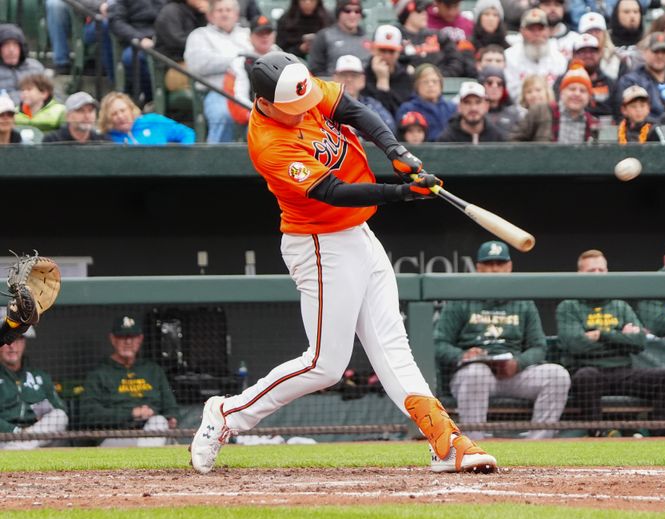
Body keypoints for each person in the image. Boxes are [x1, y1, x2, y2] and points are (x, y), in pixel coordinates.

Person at [189, 51, 497, 475]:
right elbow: (333, 191)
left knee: (394, 348)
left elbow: (354, 110)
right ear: (265, 102)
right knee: (324, 365)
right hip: (319, 243)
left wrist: (395, 149)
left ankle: (446, 442)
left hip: (359, 235)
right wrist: (403, 193)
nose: (304, 110)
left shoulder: (298, 85)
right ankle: (227, 414)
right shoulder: (269, 144)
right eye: (293, 108)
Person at [434, 241, 570, 440]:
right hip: (474, 375)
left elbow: (539, 346)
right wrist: (463, 355)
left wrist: (519, 363)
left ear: (509, 267)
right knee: (476, 373)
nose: (495, 269)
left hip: (513, 373)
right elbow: (439, 343)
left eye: (500, 263)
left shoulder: (523, 302)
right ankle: (474, 444)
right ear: (479, 268)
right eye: (489, 264)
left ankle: (539, 444)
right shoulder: (461, 298)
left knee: (558, 375)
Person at [556, 249, 665, 437]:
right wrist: (620, 338)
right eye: (591, 271)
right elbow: (576, 345)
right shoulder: (569, 306)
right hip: (590, 374)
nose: (598, 275)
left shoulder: (620, 305)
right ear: (580, 274)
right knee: (585, 376)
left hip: (623, 373)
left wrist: (602, 334)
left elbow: (639, 342)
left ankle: (660, 437)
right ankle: (598, 433)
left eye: (601, 270)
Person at [82, 315, 179, 447]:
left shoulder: (153, 370)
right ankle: (147, 461)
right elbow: (89, 414)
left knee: (159, 421)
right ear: (113, 339)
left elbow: (171, 407)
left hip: (152, 430)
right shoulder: (99, 374)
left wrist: (170, 418)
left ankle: (144, 460)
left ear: (140, 339)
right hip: (116, 437)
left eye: (132, 337)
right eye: (122, 337)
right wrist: (132, 413)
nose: (128, 342)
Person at [185, 0, 252, 143]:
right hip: (218, 92)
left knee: (266, 117)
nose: (224, 14)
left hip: (251, 92)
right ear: (210, 15)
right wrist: (236, 60)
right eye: (220, 10)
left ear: (236, 14)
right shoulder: (199, 35)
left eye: (228, 10)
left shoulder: (247, 34)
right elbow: (197, 64)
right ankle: (215, 161)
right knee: (223, 115)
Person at [0, 323, 68, 450]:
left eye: (18, 339)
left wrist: (41, 410)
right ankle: (21, 446)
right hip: (4, 438)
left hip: (37, 435)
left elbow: (59, 409)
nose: (12, 346)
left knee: (60, 416)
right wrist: (15, 431)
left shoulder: (40, 376)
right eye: (6, 340)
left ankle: (19, 448)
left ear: (24, 342)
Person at [511, 64, 599, 143]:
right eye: (572, 89)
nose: (577, 94)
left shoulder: (593, 123)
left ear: (589, 97)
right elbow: (514, 141)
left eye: (582, 91)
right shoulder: (540, 111)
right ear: (562, 92)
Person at [225, 15, 282, 127]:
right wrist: (261, 114)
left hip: (285, 114)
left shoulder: (284, 56)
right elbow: (239, 98)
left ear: (274, 35)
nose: (264, 37)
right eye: (260, 33)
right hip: (257, 117)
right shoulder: (242, 61)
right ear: (250, 37)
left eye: (268, 33)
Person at [504, 8, 568, 103]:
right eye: (531, 29)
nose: (537, 34)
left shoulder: (559, 59)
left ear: (548, 31)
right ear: (522, 31)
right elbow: (512, 93)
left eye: (540, 29)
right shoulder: (509, 57)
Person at [395, 0, 472, 78]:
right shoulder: (397, 36)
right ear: (406, 15)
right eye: (419, 11)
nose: (424, 14)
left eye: (425, 10)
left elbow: (455, 60)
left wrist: (439, 77)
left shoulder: (439, 35)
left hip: (439, 82)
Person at [109, 0, 167, 103]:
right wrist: (139, 38)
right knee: (130, 58)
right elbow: (117, 22)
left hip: (164, 38)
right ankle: (150, 98)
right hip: (138, 38)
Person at [553, 35, 616, 118]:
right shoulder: (562, 81)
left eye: (592, 51)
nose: (588, 55)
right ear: (574, 55)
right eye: (583, 52)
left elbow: (618, 112)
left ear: (600, 54)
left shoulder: (610, 82)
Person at [98, 91, 196, 144]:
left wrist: (183, 159)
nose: (120, 116)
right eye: (114, 114)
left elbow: (186, 133)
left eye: (123, 110)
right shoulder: (107, 139)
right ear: (108, 119)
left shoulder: (154, 121)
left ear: (131, 110)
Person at [154, 0, 210, 91]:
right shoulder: (170, 11)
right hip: (174, 67)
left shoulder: (202, 13)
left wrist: (208, 15)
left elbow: (214, 36)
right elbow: (177, 42)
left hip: (197, 62)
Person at [362, 25, 415, 118]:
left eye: (391, 51)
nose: (386, 56)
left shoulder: (405, 77)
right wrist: (382, 80)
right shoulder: (363, 75)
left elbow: (399, 115)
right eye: (382, 50)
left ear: (398, 53)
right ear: (373, 50)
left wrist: (383, 82)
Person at [307, 0, 370, 77]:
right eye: (347, 11)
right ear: (338, 13)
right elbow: (316, 70)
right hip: (333, 85)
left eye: (357, 11)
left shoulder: (368, 39)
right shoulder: (324, 36)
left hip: (363, 87)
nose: (353, 15)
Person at [395, 63, 456, 141]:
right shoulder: (407, 109)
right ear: (416, 86)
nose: (431, 85)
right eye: (425, 82)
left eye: (434, 81)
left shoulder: (451, 108)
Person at [436, 80, 507, 142]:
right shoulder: (446, 140)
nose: (473, 108)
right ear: (459, 106)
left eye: (478, 102)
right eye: (467, 102)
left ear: (486, 106)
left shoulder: (497, 138)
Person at [0, 24, 45, 105]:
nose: (11, 49)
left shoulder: (35, 67)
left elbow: (51, 95)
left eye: (15, 44)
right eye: (6, 45)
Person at [43, 91, 108, 143]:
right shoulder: (52, 141)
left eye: (90, 111)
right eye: (80, 111)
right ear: (68, 116)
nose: (87, 116)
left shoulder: (103, 141)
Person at [578, 12, 623, 81]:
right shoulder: (575, 59)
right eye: (589, 31)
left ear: (604, 34)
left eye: (597, 31)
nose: (594, 35)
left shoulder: (618, 59)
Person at [480, 66, 524, 135]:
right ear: (481, 85)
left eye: (499, 84)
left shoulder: (514, 114)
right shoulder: (475, 114)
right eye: (490, 83)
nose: (495, 86)